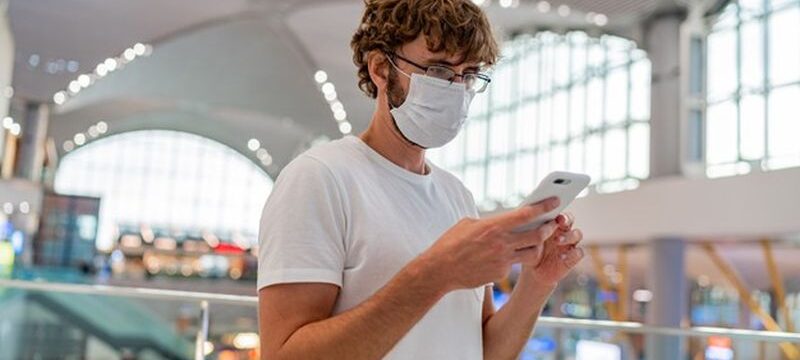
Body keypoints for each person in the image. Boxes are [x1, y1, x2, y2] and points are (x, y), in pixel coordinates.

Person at [257, 0, 585, 358]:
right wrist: (435, 275)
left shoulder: (456, 195)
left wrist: (538, 283)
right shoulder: (320, 178)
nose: (457, 89)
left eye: (470, 75)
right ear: (381, 68)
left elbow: (484, 350)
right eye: (440, 71)